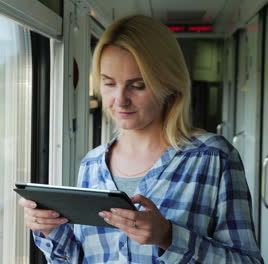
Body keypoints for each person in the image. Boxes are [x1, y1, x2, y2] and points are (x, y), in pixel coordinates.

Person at [19, 14, 264, 263]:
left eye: (138, 85)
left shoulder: (212, 157)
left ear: (168, 85)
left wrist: (169, 237)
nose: (120, 99)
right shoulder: (92, 164)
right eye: (109, 83)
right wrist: (50, 230)